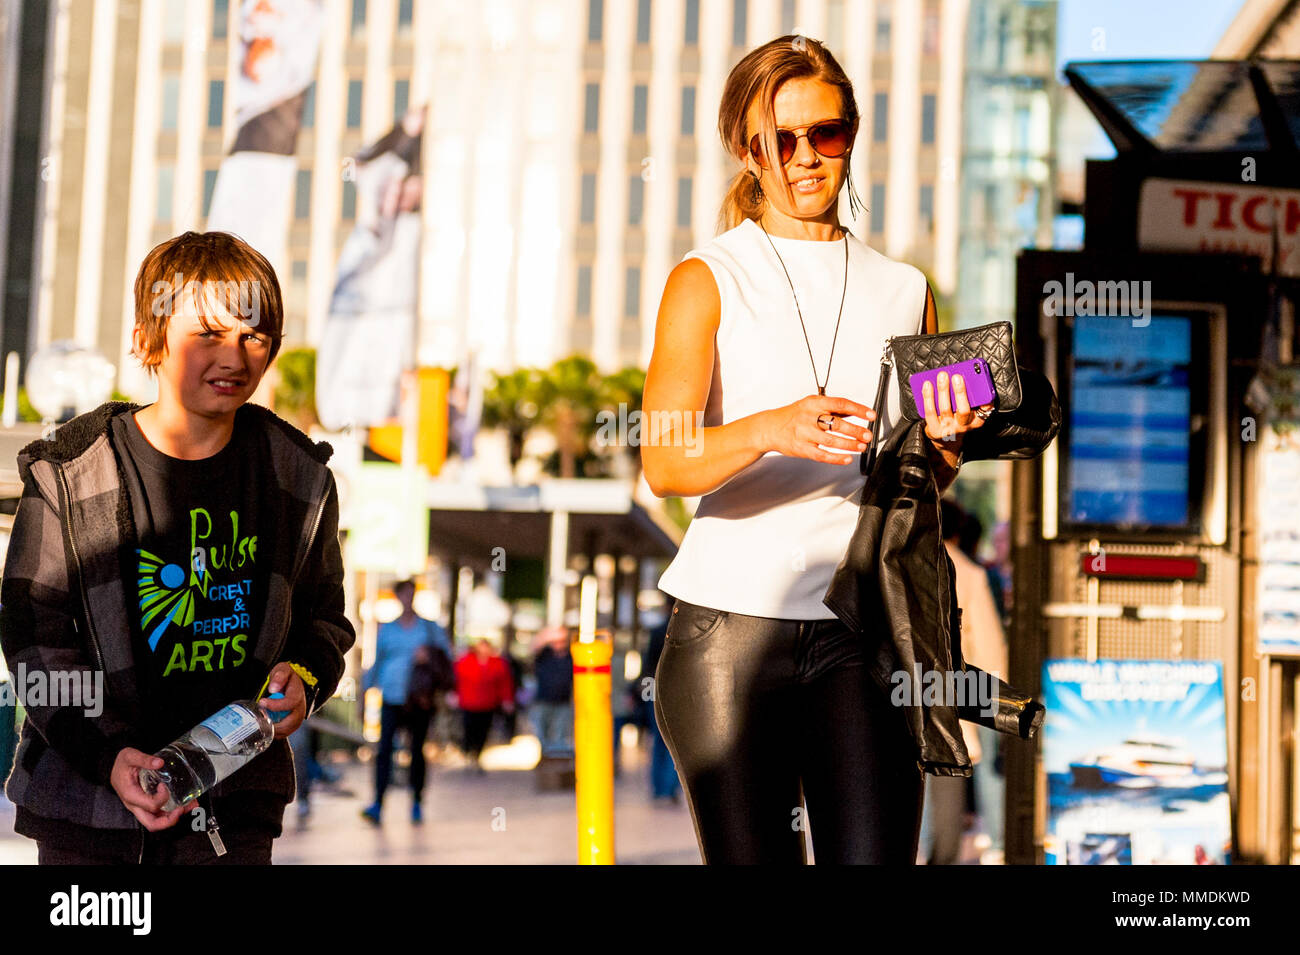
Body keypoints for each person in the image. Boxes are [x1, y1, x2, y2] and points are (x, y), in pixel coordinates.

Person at [640, 36, 993, 864]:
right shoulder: (707, 277)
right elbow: (663, 460)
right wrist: (769, 428)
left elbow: (919, 481)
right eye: (780, 140)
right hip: (728, 631)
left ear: (852, 134)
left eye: (825, 134)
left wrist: (946, 446)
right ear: (748, 150)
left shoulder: (906, 289)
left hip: (861, 632)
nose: (805, 158)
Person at [0, 231, 354, 864]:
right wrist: (107, 758)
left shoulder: (300, 480)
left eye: (255, 337)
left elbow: (325, 621)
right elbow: (33, 639)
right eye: (209, 334)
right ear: (148, 339)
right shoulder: (69, 473)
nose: (235, 357)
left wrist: (303, 678)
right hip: (87, 814)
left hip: (232, 815)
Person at [360, 578, 452, 825]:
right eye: (404, 594)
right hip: (391, 697)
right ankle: (378, 802)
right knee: (384, 751)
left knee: (417, 752)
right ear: (398, 597)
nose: (408, 598)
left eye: (412, 594)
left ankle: (417, 802)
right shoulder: (387, 629)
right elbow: (376, 662)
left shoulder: (430, 629)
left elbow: (447, 658)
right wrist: (365, 692)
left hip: (419, 700)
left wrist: (428, 656)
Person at [453, 638, 514, 773]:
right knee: (469, 730)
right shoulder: (465, 662)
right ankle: (469, 754)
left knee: (483, 731)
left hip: (487, 704)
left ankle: (477, 755)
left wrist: (507, 700)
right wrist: (454, 694)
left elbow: (504, 683)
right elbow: (455, 679)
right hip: (468, 703)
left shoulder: (497, 664)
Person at [530, 626, 573, 756]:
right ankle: (545, 756)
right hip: (543, 700)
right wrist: (546, 635)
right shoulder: (544, 654)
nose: (559, 643)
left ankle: (555, 760)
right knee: (542, 733)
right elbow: (534, 647)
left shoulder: (571, 656)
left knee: (561, 734)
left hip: (563, 701)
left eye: (562, 640)